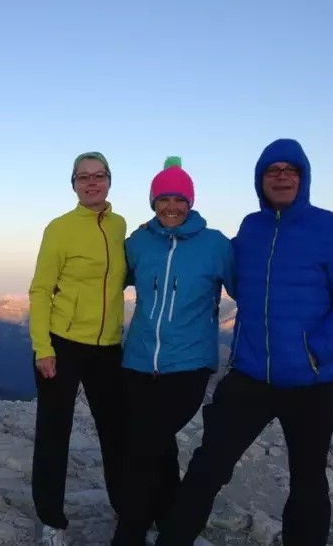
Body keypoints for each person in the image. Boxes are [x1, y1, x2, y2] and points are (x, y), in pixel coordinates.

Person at [154, 138, 333, 546]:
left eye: (291, 170)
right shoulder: (251, 229)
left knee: (307, 483)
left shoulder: (331, 227)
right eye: (274, 170)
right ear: (261, 180)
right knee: (208, 467)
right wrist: (175, 220)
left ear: (303, 179)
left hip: (312, 382)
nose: (282, 176)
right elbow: (216, 263)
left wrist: (317, 350)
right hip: (250, 376)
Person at [111, 157, 235, 546]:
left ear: (191, 203)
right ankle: (166, 514)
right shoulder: (139, 242)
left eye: (179, 200)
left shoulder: (215, 245)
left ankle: (129, 532)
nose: (171, 207)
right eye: (163, 199)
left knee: (143, 447)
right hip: (137, 362)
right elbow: (108, 278)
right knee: (156, 442)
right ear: (152, 202)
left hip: (188, 365)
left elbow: (247, 291)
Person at [28, 151, 127, 546]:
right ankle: (51, 520)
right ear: (73, 184)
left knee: (116, 433)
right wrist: (42, 348)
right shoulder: (60, 229)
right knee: (54, 435)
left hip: (108, 347)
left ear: (109, 181)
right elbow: (39, 290)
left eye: (99, 175)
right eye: (83, 177)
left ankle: (126, 506)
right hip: (62, 344)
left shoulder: (120, 227)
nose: (92, 182)